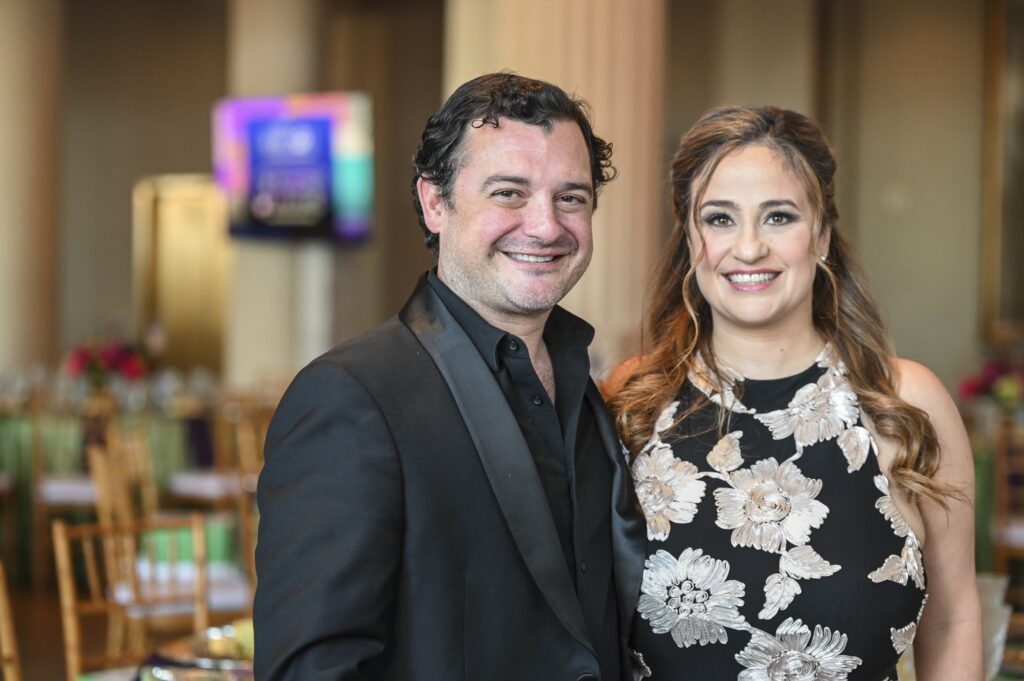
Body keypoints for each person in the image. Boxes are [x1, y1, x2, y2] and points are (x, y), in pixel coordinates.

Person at [253, 72, 646, 681]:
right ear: (436, 202)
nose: (546, 226)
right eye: (509, 193)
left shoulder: (586, 388)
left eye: (571, 197)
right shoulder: (352, 397)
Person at [605, 106, 981, 680]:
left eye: (779, 217)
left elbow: (953, 622)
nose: (749, 248)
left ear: (823, 235)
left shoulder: (906, 404)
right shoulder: (632, 403)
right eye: (720, 219)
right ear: (689, 239)